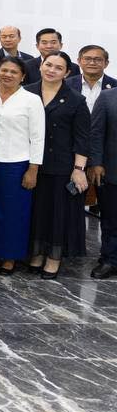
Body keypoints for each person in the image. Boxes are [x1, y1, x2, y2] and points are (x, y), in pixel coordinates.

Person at [25, 53, 90, 279]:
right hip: (30, 163)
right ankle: (35, 254)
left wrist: (79, 169)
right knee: (36, 212)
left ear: (67, 73)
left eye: (58, 68)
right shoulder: (26, 92)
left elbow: (82, 138)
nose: (51, 70)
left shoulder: (75, 99)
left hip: (61, 166)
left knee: (57, 214)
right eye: (48, 65)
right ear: (41, 66)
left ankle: (53, 258)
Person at [0, 56, 45, 276]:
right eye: (4, 70)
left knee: (14, 213)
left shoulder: (31, 100)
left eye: (14, 72)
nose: (8, 75)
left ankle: (9, 256)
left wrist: (33, 169)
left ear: (23, 76)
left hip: (17, 164)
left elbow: (38, 137)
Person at [91, 87, 117, 278]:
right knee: (110, 219)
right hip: (111, 170)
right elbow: (96, 132)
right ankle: (109, 260)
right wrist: (96, 163)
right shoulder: (108, 97)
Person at [70, 45, 117, 112]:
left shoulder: (115, 86)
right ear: (79, 61)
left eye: (98, 59)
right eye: (87, 59)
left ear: (106, 63)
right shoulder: (66, 85)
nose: (92, 63)